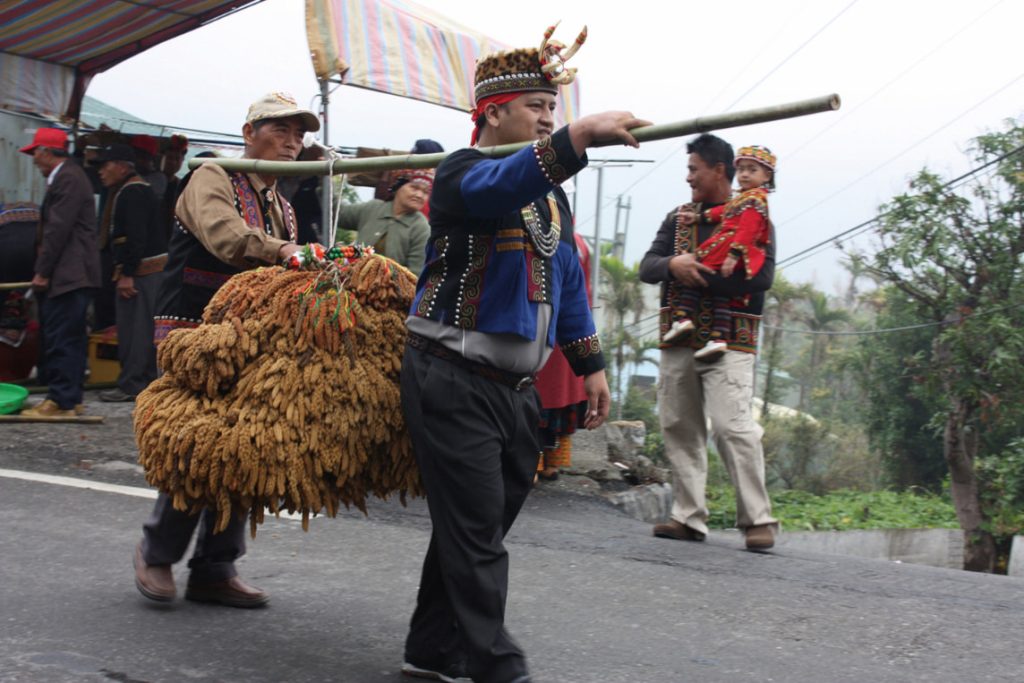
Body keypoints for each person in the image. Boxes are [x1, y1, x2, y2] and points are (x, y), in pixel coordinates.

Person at [399, 28, 646, 683]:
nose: (546, 117)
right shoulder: (460, 174)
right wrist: (579, 137)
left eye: (553, 108)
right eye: (535, 105)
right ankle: (497, 664)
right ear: (492, 112)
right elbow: (497, 185)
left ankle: (430, 645)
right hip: (449, 375)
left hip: (513, 390)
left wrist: (590, 366)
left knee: (476, 526)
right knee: (477, 527)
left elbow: (566, 284)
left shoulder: (550, 196)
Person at [133, 92, 316, 608]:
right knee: (198, 444)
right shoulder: (214, 175)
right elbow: (225, 237)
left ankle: (216, 566)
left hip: (250, 337)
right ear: (249, 132)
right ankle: (158, 551)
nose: (292, 142)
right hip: (194, 331)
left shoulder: (282, 202)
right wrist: (284, 251)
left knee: (246, 447)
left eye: (298, 134)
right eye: (280, 130)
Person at [639, 133, 778, 551]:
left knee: (734, 427)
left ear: (720, 170)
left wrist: (699, 274)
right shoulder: (677, 218)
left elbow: (763, 278)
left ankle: (759, 519)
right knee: (680, 426)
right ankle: (688, 516)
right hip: (678, 341)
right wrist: (672, 264)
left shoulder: (755, 215)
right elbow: (648, 266)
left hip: (730, 342)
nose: (688, 178)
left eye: (693, 169)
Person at [663, 145, 777, 361]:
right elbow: (723, 212)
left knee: (695, 270)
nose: (744, 174)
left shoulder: (755, 202)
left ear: (766, 175)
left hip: (730, 247)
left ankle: (683, 318)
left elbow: (747, 230)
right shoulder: (743, 199)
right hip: (731, 247)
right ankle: (719, 338)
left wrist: (734, 254)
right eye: (742, 169)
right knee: (721, 294)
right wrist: (698, 218)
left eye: (752, 170)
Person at [18, 128, 100, 418]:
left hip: (68, 275)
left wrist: (42, 271)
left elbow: (57, 230)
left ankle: (61, 400)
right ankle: (70, 397)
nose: (34, 161)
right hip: (74, 274)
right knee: (71, 338)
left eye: (35, 154)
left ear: (46, 152)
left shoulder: (67, 179)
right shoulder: (71, 177)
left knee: (61, 338)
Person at [91, 143, 166, 402]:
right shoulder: (135, 189)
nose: (101, 172)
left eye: (106, 166)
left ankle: (132, 383)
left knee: (135, 329)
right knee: (142, 327)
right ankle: (142, 381)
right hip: (147, 270)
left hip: (142, 272)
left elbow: (135, 238)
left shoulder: (132, 192)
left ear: (122, 166)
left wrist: (127, 273)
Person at [534, 232, 593, 480]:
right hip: (570, 330)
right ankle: (552, 464)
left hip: (543, 326)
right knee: (559, 400)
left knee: (536, 401)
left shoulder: (539, 234)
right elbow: (585, 292)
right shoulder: (580, 244)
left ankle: (531, 465)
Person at [335, 169, 433, 273]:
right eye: (414, 188)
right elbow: (339, 214)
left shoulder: (421, 228)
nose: (419, 195)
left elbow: (416, 274)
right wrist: (324, 181)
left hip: (394, 288)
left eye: (425, 192)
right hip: (352, 282)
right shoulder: (372, 209)